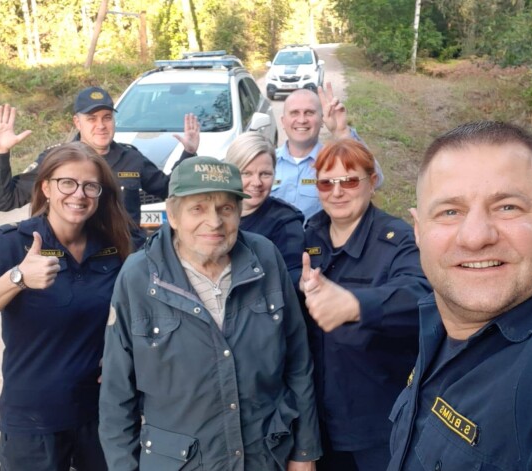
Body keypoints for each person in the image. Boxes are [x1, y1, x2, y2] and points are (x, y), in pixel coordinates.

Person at [386, 121, 532, 470]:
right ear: (418, 230)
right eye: (449, 212)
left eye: (507, 207)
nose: (475, 237)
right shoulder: (439, 320)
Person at [99, 156, 321, 470]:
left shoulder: (266, 259)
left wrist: (304, 451)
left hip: (264, 456)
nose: (215, 222)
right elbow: (116, 393)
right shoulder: (139, 276)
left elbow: (298, 361)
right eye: (198, 208)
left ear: (239, 212)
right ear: (173, 216)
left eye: (226, 208)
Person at [0, 142, 132, 470]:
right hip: (34, 425)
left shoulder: (115, 245)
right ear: (46, 187)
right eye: (67, 182)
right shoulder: (13, 243)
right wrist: (16, 277)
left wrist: (128, 353)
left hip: (102, 416)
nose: (78, 194)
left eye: (90, 186)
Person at [300, 139, 431, 470]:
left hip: (378, 423)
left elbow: (421, 294)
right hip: (319, 424)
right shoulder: (310, 236)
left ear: (372, 182)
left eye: (350, 181)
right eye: (327, 182)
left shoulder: (397, 239)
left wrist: (355, 304)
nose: (338, 192)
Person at [0, 86, 199, 247]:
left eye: (107, 118)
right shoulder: (56, 160)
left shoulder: (131, 157)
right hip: (73, 263)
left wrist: (188, 154)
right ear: (77, 122)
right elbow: (3, 199)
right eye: (91, 119)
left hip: (125, 259)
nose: (101, 126)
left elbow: (168, 189)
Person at [272, 84, 384, 219]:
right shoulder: (268, 162)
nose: (302, 120)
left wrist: (342, 132)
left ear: (322, 120)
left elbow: (376, 180)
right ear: (283, 122)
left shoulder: (334, 160)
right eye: (294, 113)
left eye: (309, 113)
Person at [223, 131, 305, 287]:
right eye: (246, 173)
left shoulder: (286, 222)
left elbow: (291, 278)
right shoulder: (213, 214)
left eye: (265, 174)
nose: (257, 182)